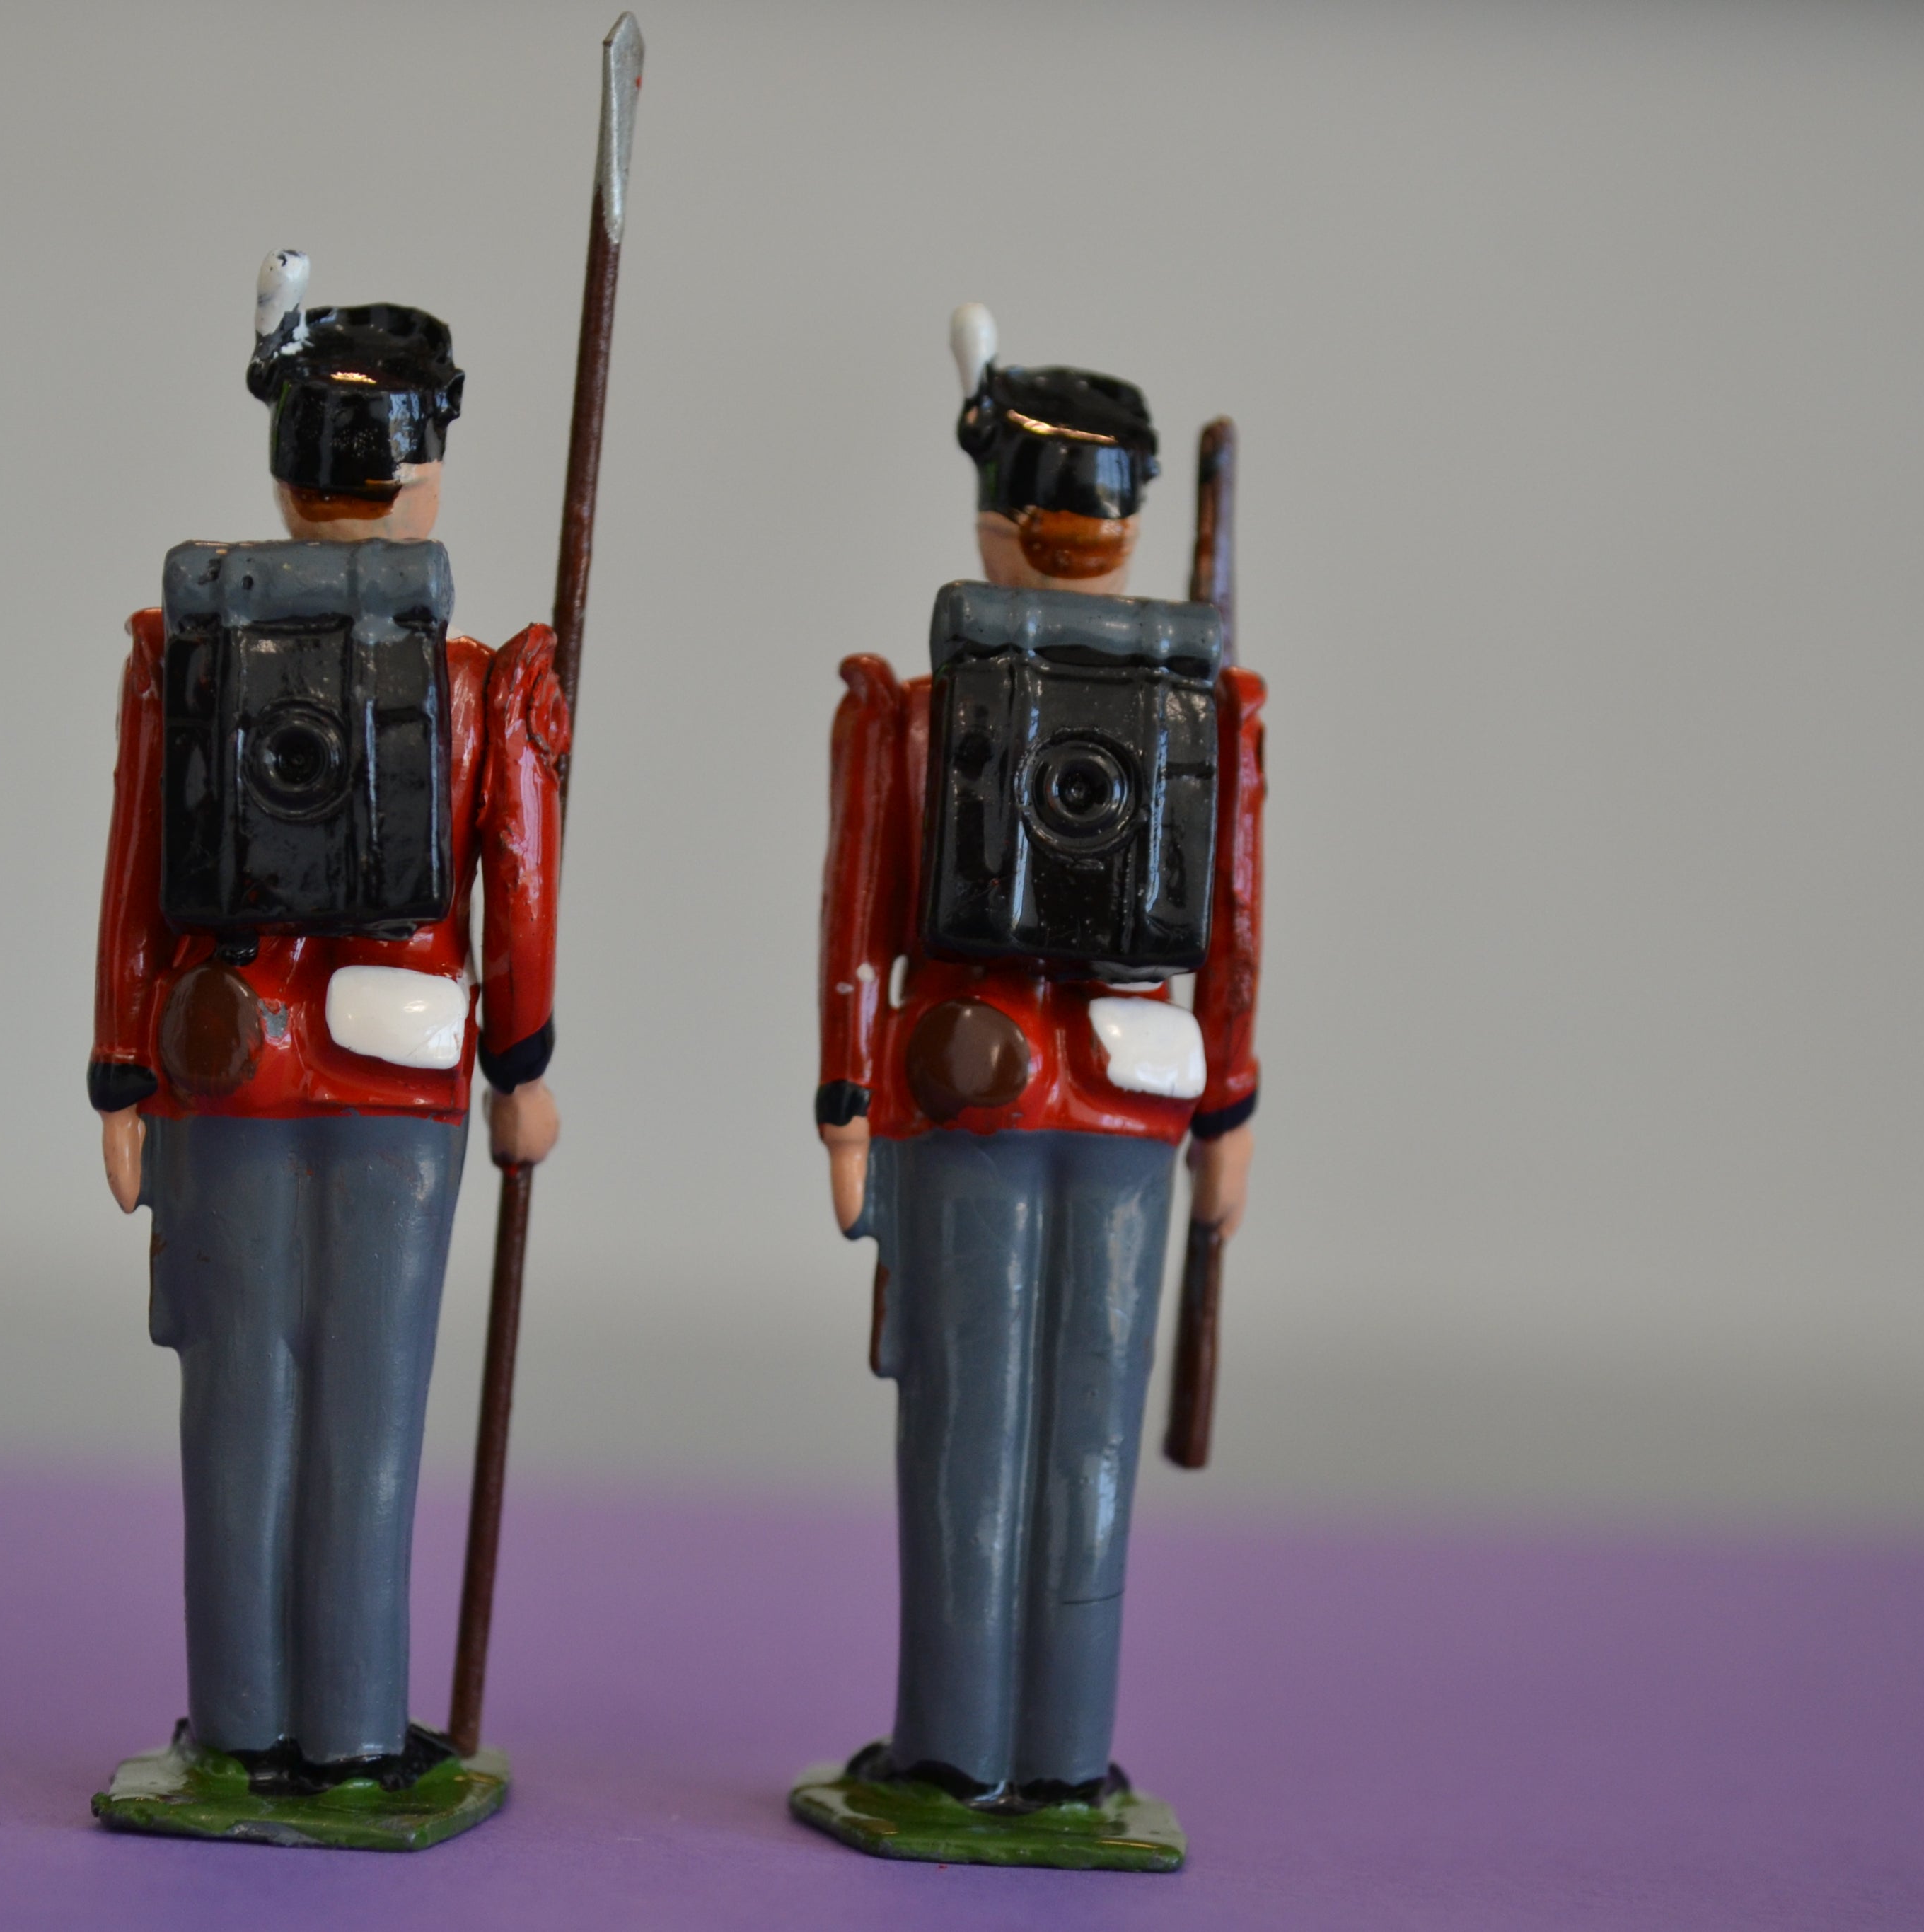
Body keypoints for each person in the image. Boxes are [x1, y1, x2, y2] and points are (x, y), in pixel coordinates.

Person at [87, 252, 564, 1816]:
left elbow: (135, 872)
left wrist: (122, 1067)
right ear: (429, 467)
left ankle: (244, 1723)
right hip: (396, 1080)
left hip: (221, 1064)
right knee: (366, 1407)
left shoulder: (183, 648)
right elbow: (519, 886)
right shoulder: (480, 682)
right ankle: (348, 1728)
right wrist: (522, 1066)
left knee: (240, 1403)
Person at [803, 303, 1265, 1853]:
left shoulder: (933, 710)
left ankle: (987, 1753)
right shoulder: (953, 711)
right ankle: (1027, 1754)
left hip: (1007, 1104)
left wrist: (847, 1103)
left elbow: (861, 924)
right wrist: (1226, 1105)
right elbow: (1232, 926)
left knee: (996, 1434)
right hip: (1072, 1103)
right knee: (1052, 1435)